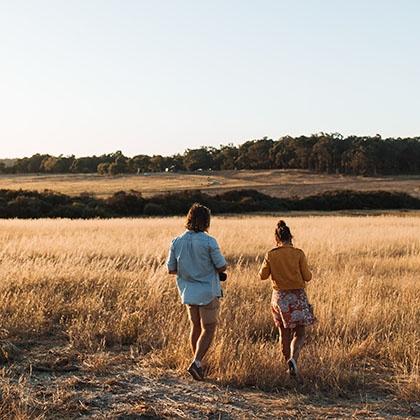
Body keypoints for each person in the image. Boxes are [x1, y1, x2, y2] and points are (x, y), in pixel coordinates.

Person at [167, 203, 227, 381]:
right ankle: (197, 362)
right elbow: (221, 265)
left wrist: (188, 271)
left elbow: (171, 269)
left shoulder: (176, 241)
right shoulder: (209, 241)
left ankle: (197, 364)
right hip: (207, 290)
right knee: (209, 328)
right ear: (206, 221)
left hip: (187, 291)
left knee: (195, 326)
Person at [259, 220, 315, 377]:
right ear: (291, 237)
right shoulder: (298, 253)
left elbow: (262, 276)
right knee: (300, 333)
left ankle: (287, 365)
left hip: (279, 297)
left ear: (276, 238)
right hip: (297, 296)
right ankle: (293, 360)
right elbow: (308, 277)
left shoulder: (271, 254)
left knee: (283, 334)